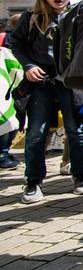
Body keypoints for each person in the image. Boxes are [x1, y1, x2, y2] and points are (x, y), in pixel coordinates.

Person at [10, 0, 83, 203]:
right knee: (37, 132)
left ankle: (81, 175)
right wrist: (28, 65)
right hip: (41, 82)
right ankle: (33, 181)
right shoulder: (31, 18)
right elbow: (17, 44)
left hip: (71, 81)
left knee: (76, 131)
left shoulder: (79, 16)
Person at [0, 13, 22, 170]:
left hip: (10, 84)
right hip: (8, 84)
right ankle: (3, 154)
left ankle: (4, 153)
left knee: (10, 119)